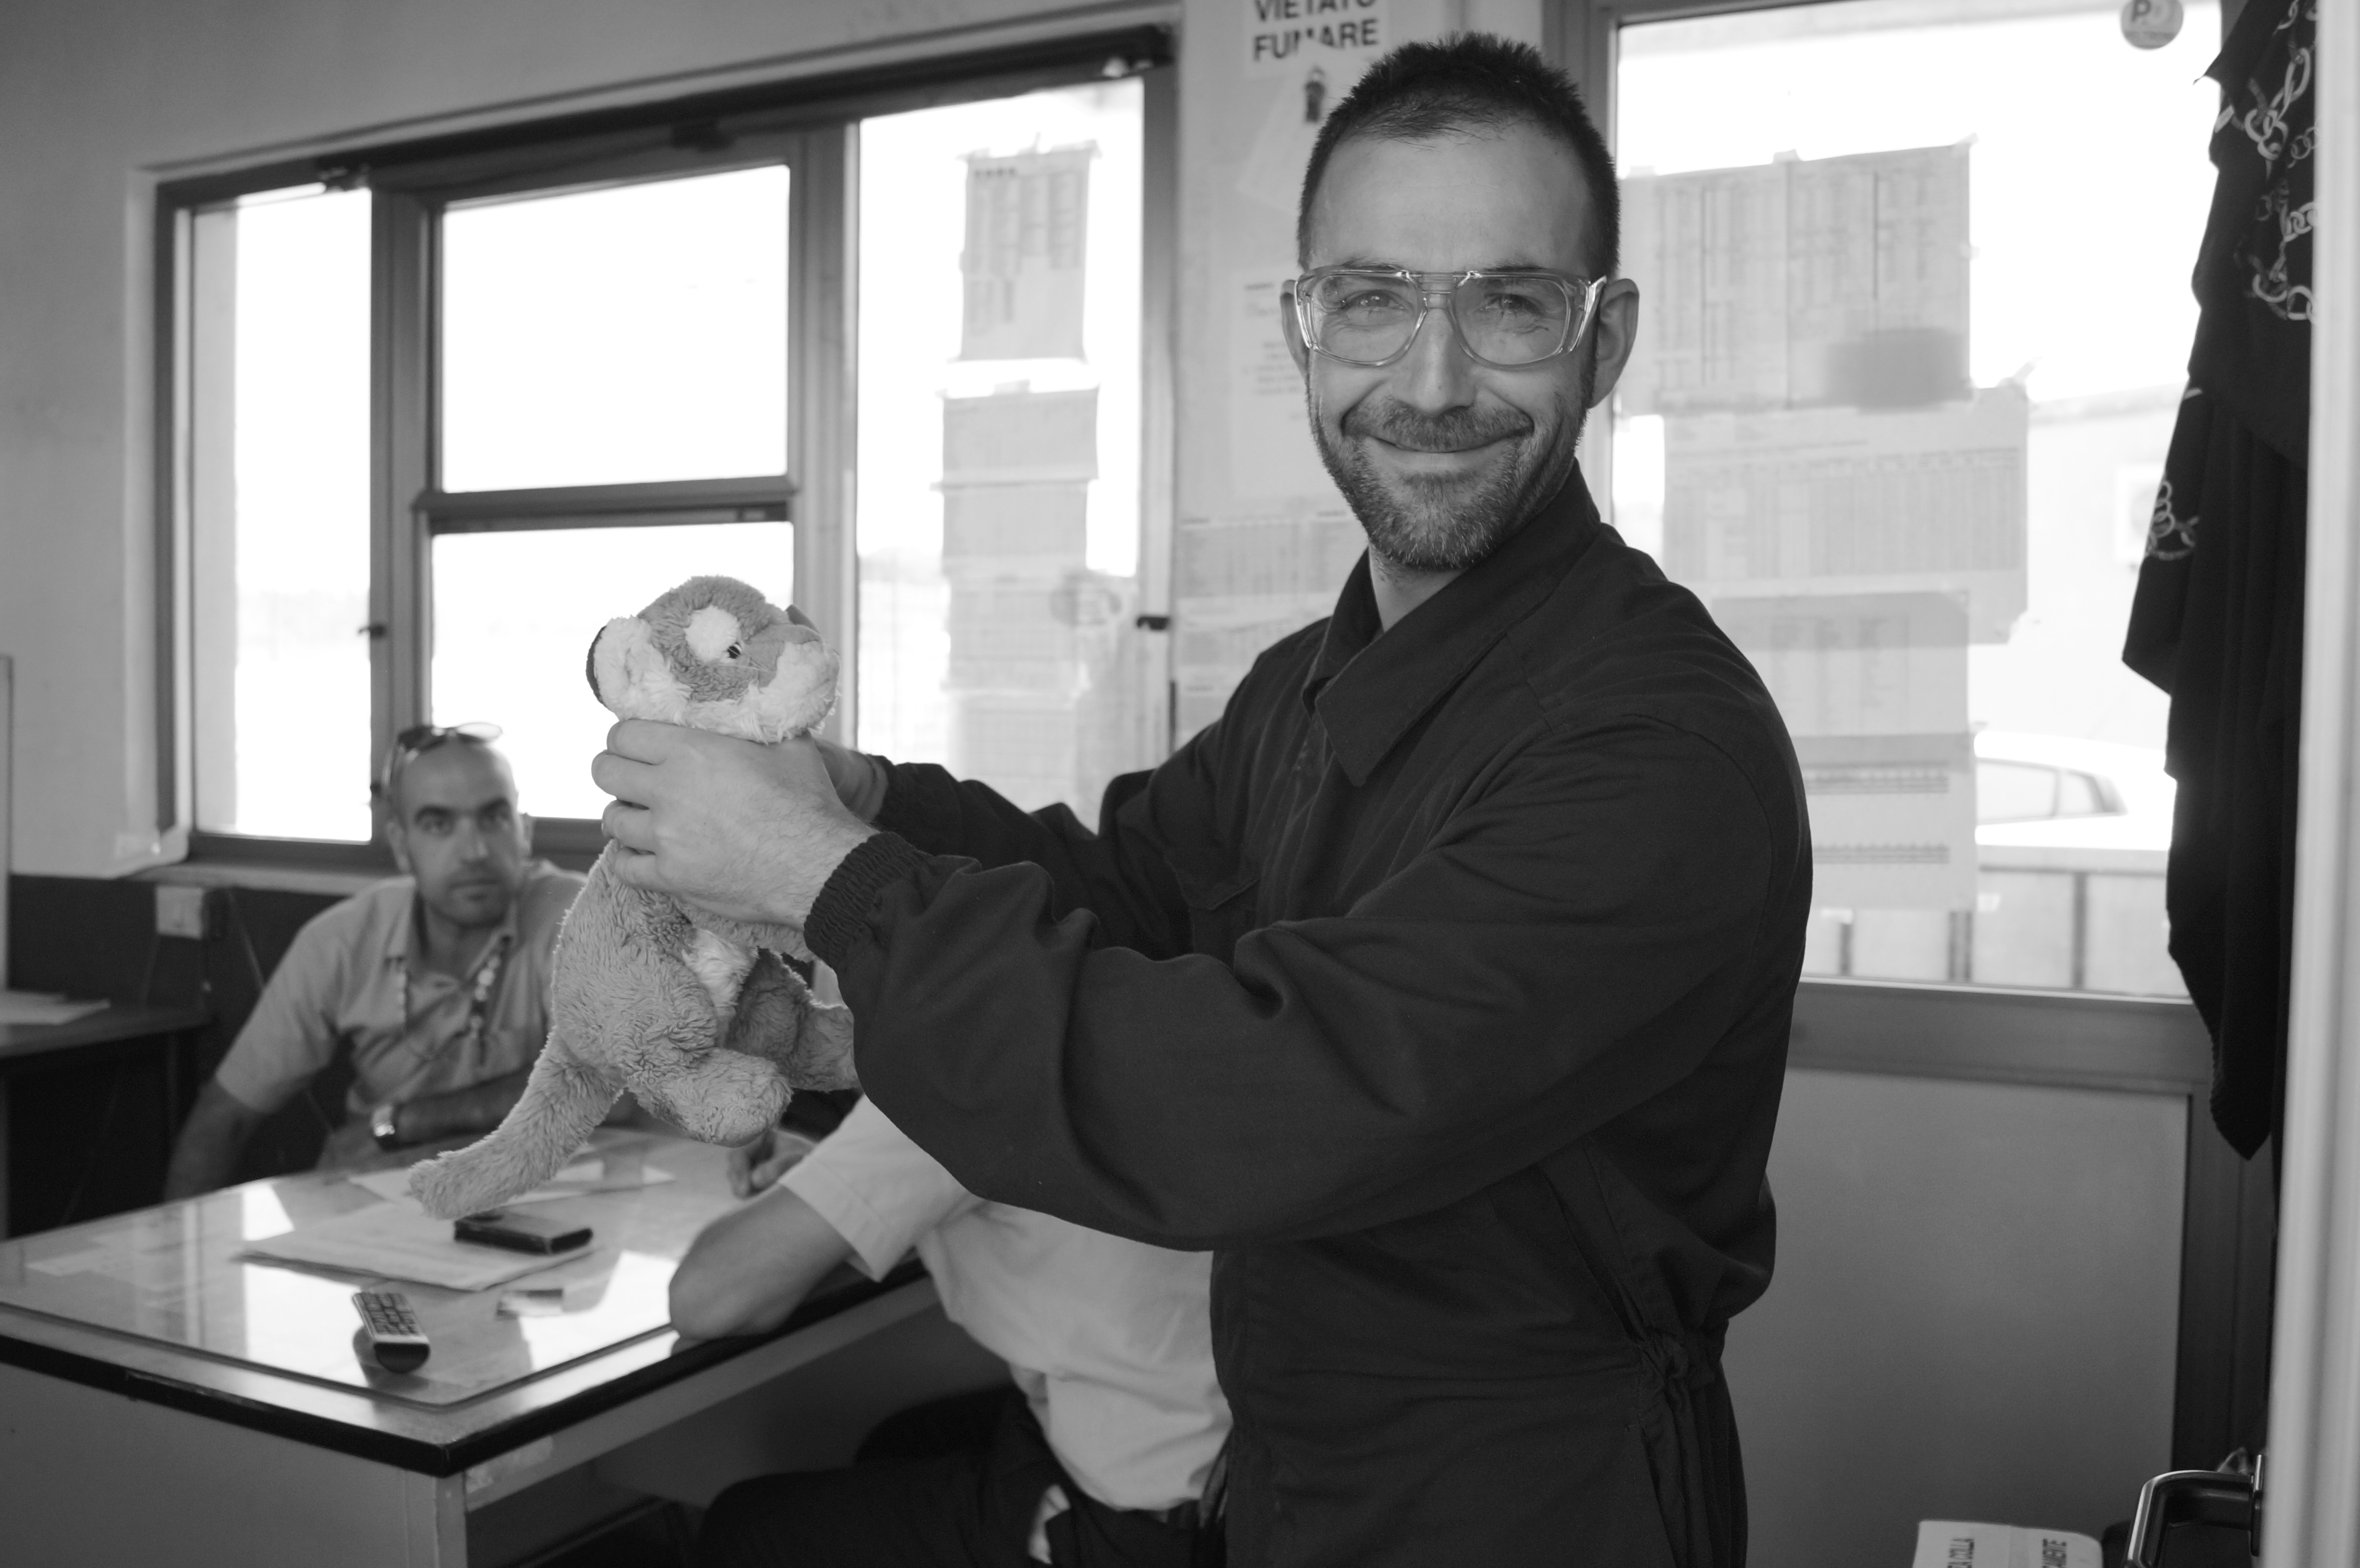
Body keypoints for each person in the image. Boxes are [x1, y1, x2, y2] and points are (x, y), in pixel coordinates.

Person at [593, 36, 1808, 1568]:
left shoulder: (1655, 748)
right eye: (1370, 299)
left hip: (1532, 1503)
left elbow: (1261, 1099)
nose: (1431, 382)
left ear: (1603, 338)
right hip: (1294, 1467)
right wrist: (866, 799)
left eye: (1508, 303)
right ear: (1303, 329)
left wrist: (826, 876)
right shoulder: (1315, 682)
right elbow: (1136, 896)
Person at [672, 1089, 1229, 1568]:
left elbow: (707, 1300)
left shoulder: (950, 1071)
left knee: (745, 1528)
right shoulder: (1127, 1023)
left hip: (1145, 1521)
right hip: (1237, 1457)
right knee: (900, 1443)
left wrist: (828, 1189)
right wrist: (832, 1182)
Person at [164, 725, 587, 1197]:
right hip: (383, 1201)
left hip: (552, 1197)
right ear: (401, 846)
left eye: (494, 818)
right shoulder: (341, 941)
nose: (475, 852)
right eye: (438, 825)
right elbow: (226, 1119)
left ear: (525, 832)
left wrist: (403, 1123)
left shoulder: (577, 917)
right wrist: (180, 1240)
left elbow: (602, 1083)